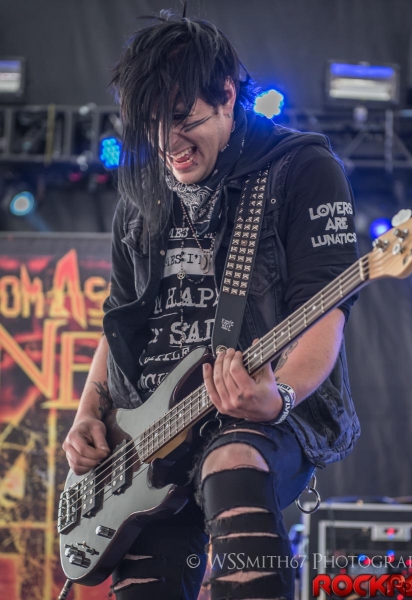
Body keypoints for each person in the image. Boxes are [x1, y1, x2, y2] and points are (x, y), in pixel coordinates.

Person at [62, 11, 360, 600]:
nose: (168, 144)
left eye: (182, 119)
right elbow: (119, 326)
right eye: (152, 125)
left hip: (255, 410)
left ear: (225, 94)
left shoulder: (299, 167)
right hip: (143, 440)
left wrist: (279, 397)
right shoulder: (141, 195)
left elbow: (325, 311)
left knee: (234, 462)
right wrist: (87, 415)